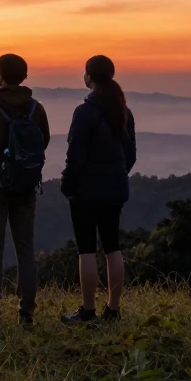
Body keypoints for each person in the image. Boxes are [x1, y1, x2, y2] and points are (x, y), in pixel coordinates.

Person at [0, 53, 51, 328]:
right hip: (26, 188)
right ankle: (26, 313)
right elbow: (44, 142)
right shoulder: (36, 109)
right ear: (24, 77)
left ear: (0, 75)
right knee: (25, 250)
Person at [60, 54, 136, 324]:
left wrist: (68, 185)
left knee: (86, 249)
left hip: (85, 191)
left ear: (89, 77)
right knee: (112, 246)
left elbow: (75, 156)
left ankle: (88, 311)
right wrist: (116, 175)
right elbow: (130, 155)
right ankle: (113, 310)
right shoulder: (123, 111)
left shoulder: (85, 112)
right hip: (115, 188)